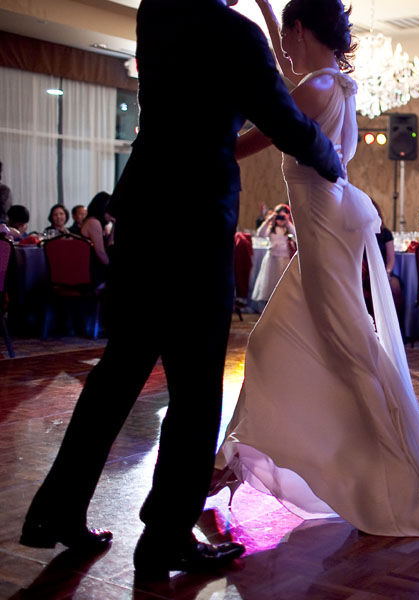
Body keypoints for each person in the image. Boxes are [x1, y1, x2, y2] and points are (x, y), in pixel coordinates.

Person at [20, 0, 343, 581]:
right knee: (196, 391)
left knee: (118, 372)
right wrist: (330, 158)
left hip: (141, 217)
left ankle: (55, 511)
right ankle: (166, 537)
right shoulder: (235, 35)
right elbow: (284, 122)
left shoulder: (157, 14)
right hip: (194, 227)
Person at [210, 0, 419, 537]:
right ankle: (230, 467)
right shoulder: (330, 85)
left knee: (351, 350)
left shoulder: (315, 90)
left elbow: (250, 138)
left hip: (326, 230)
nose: (283, 46)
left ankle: (397, 479)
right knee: (277, 344)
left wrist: (197, 147)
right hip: (331, 222)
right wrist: (265, 7)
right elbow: (285, 80)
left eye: (286, 34)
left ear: (301, 29)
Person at [251, 203, 296, 304]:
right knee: (269, 285)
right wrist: (268, 220)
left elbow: (296, 235)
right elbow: (260, 234)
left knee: (282, 286)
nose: (281, 219)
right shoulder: (271, 229)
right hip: (272, 260)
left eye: (283, 216)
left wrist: (288, 222)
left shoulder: (288, 229)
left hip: (284, 260)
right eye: (279, 216)